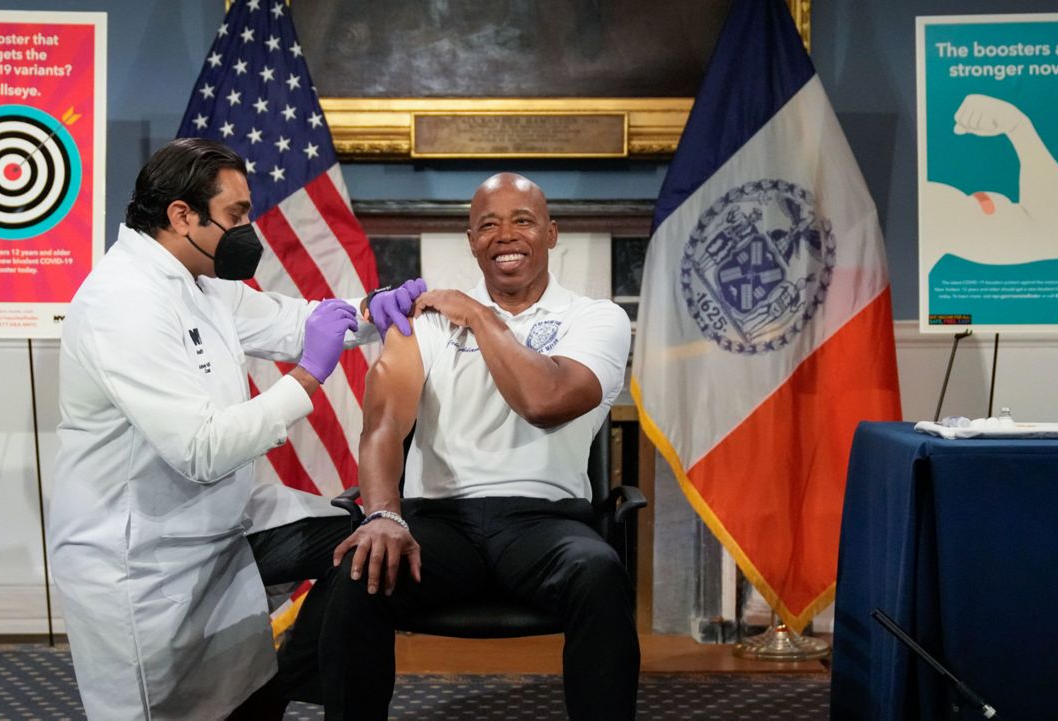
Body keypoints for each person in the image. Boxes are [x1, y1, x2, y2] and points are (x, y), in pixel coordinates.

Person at [47, 138, 424, 721]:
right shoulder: (123, 304)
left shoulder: (200, 279)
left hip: (218, 525)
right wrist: (306, 378)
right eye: (236, 215)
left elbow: (298, 322)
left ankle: (302, 670)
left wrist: (375, 310)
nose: (248, 228)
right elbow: (201, 450)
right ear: (181, 215)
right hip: (141, 558)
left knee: (362, 536)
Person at [318, 173, 638, 720]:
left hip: (545, 524)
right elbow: (383, 427)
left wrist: (480, 315)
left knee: (600, 572)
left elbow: (546, 400)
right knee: (358, 576)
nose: (504, 235)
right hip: (437, 524)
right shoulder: (424, 326)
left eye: (522, 221)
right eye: (488, 224)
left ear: (552, 233)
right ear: (471, 241)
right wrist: (382, 514)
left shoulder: (596, 319)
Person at [922, 93, 1058, 279]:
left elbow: (1056, 232)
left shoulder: (933, 204)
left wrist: (1018, 127)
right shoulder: (932, 204)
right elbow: (1057, 233)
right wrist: (1019, 129)